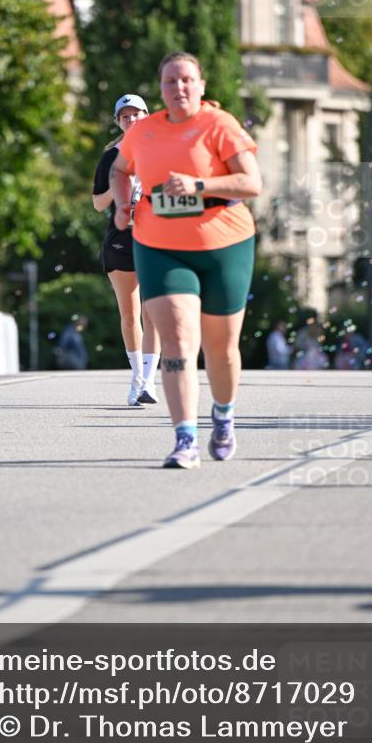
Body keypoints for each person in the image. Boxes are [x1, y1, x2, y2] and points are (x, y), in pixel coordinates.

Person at [110, 52, 262, 468]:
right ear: (160, 89)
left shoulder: (220, 125)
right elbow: (119, 171)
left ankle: (224, 414)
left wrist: (198, 184)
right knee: (177, 338)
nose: (178, 88)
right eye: (169, 82)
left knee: (222, 348)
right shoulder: (144, 132)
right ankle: (185, 438)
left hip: (224, 244)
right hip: (160, 245)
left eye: (186, 80)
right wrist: (123, 204)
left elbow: (252, 182)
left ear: (201, 85)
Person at [93, 94, 160, 406]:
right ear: (118, 121)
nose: (131, 120)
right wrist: (122, 185)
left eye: (136, 115)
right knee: (130, 313)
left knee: (154, 312)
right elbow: (98, 204)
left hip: (156, 238)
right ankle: (136, 378)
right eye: (125, 116)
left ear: (146, 116)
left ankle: (150, 381)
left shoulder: (160, 151)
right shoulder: (111, 157)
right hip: (121, 239)